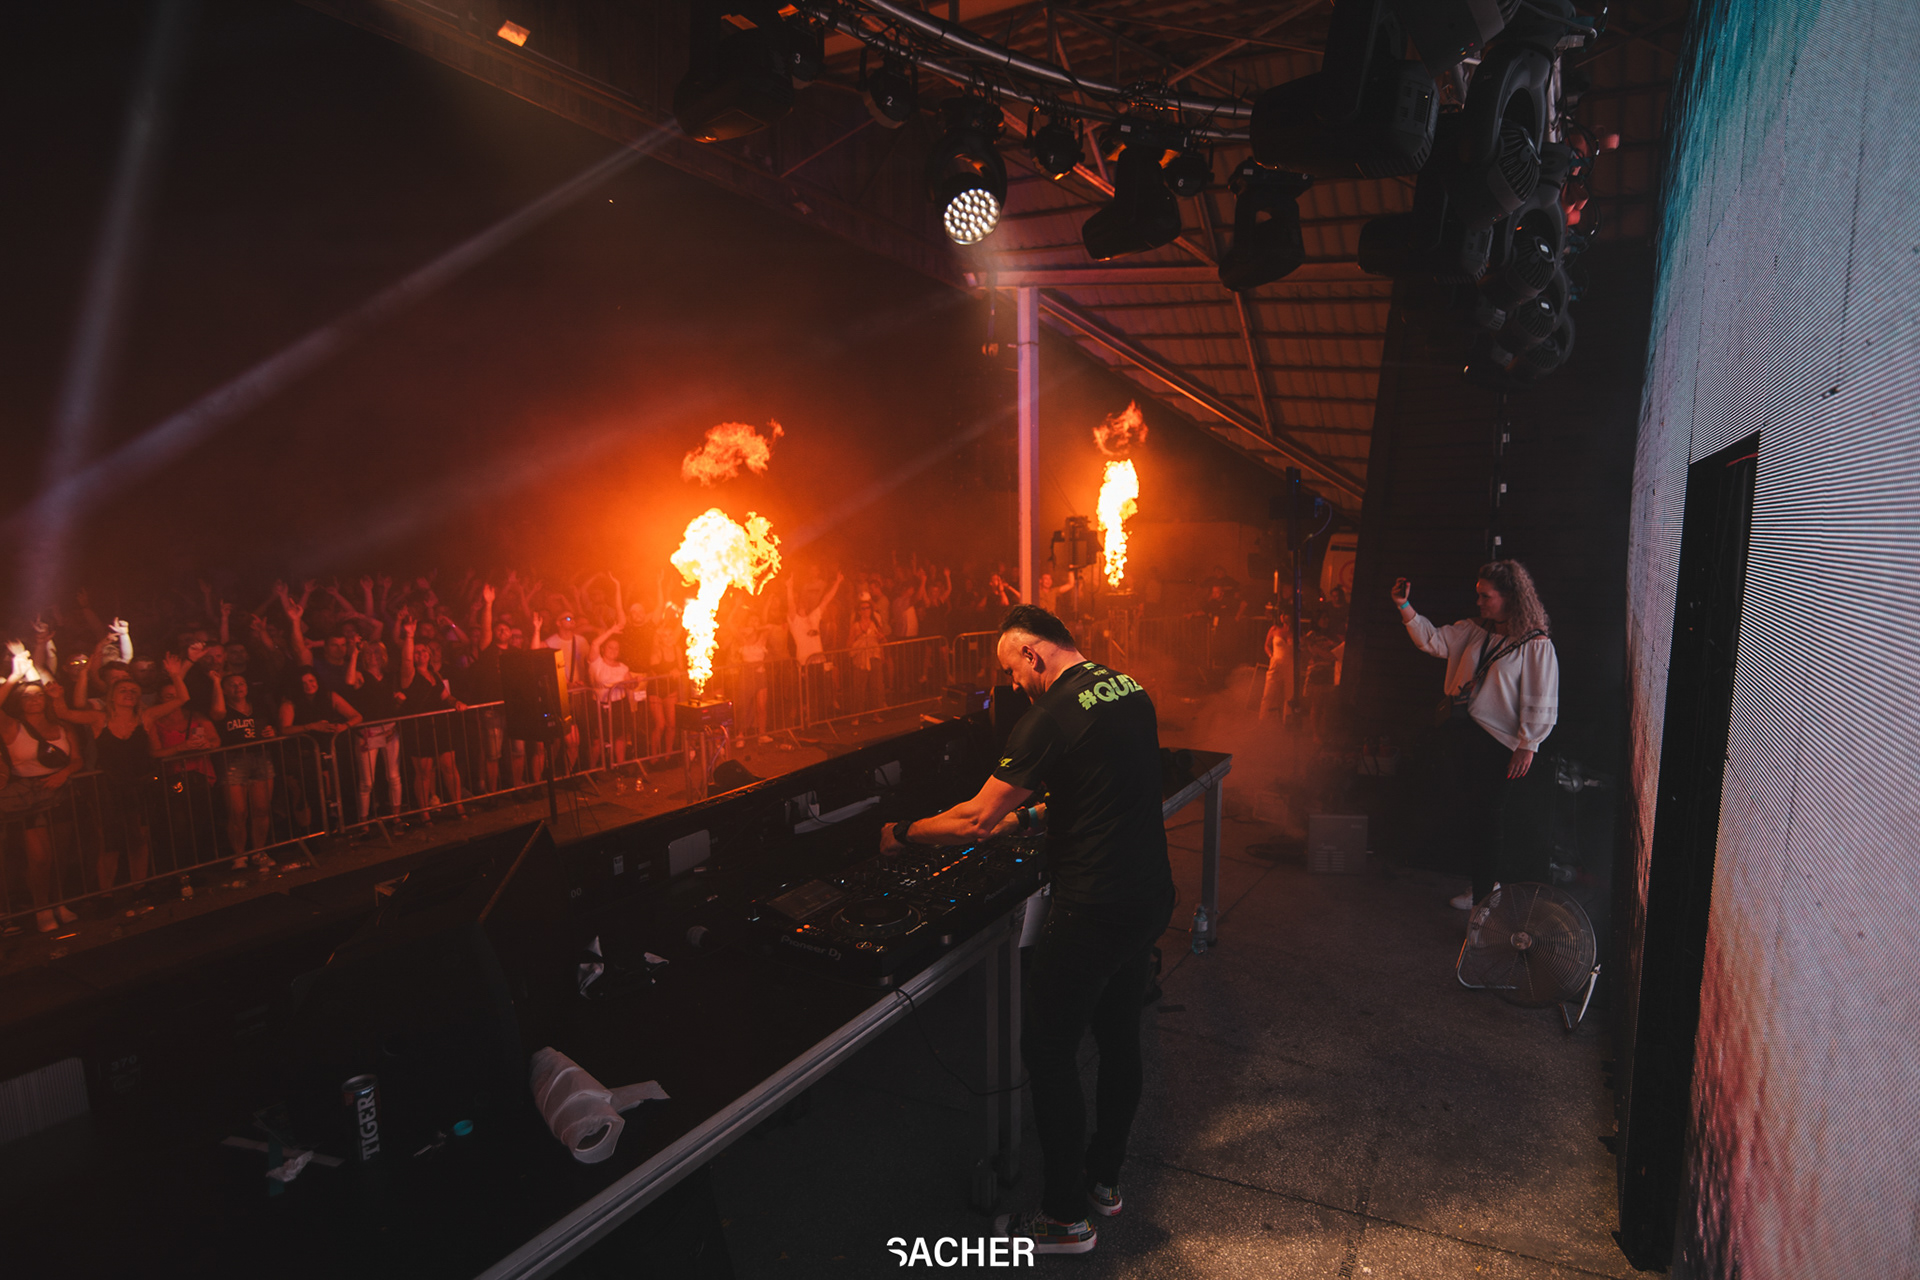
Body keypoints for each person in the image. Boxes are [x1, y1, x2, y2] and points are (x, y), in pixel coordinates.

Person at [879, 605, 1173, 1255]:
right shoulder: (1128, 688)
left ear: (1033, 653)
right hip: (1148, 894)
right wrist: (1032, 819)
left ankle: (1064, 1218)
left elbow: (974, 820)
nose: (1013, 684)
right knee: (1120, 1037)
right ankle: (1105, 1181)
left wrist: (902, 833)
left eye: (1012, 669)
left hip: (1093, 907)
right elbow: (1102, 787)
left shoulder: (1049, 715)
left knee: (1047, 1050)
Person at [1392, 560, 1560, 909]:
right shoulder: (1475, 630)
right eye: (1478, 594)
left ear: (1510, 597)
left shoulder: (1535, 644)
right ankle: (1483, 887)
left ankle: (1485, 900)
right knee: (1473, 816)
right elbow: (1433, 641)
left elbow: (1541, 697)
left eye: (1486, 596)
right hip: (1464, 734)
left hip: (1498, 744)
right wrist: (1404, 606)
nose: (1479, 602)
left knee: (1488, 820)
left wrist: (1528, 745)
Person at [51, 651, 191, 901]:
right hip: (110, 787)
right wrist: (57, 696)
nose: (129, 693)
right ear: (112, 696)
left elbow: (182, 698)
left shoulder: (145, 717)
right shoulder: (99, 718)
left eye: (133, 691)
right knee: (111, 842)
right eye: (123, 690)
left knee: (139, 838)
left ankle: (139, 887)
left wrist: (175, 675)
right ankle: (106, 895)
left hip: (141, 784)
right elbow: (64, 713)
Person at [2, 644, 83, 933]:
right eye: (27, 696)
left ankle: (58, 902)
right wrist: (15, 676)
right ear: (20, 701)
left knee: (59, 855)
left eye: (38, 695)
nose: (34, 700)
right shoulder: (11, 726)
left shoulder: (61, 726)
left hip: (59, 793)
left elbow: (77, 759)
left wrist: (65, 773)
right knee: (39, 858)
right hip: (28, 798)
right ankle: (41, 908)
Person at [208, 672, 278, 870]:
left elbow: (271, 726)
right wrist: (216, 681)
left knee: (261, 809)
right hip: (233, 760)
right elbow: (217, 713)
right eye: (232, 684)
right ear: (224, 690)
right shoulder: (223, 710)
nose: (238, 687)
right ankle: (239, 855)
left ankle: (259, 852)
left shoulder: (259, 707)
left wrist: (271, 732)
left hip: (260, 757)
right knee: (238, 812)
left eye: (241, 683)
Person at [343, 637, 404, 823]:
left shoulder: (390, 677)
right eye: (369, 652)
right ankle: (364, 824)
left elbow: (393, 703)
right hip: (368, 733)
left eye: (377, 652)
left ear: (383, 655)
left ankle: (396, 818)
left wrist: (399, 702)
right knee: (367, 782)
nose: (373, 656)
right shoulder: (361, 676)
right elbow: (349, 681)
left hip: (390, 730)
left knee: (393, 776)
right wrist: (355, 653)